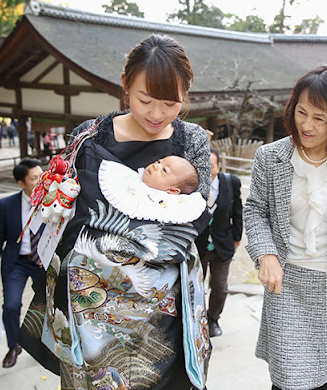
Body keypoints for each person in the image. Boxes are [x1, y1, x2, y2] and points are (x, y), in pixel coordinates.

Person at [19, 34, 212, 390]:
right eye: (145, 100)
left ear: (185, 95)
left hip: (163, 301)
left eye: (170, 103)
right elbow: (72, 212)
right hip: (91, 300)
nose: (156, 114)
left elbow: (196, 214)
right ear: (125, 86)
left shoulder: (192, 141)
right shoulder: (90, 137)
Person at [244, 65, 327, 390]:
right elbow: (255, 210)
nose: (306, 124)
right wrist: (266, 254)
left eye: (319, 118)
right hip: (286, 285)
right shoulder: (270, 157)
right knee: (291, 380)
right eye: (301, 112)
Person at [0, 158, 45, 368]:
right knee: (11, 305)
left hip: (42, 262)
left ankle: (46, 346)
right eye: (34, 178)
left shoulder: (53, 199)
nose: (41, 179)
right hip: (16, 262)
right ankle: (14, 345)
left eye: (41, 174)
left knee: (48, 306)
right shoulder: (7, 205)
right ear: (21, 183)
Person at [195, 147, 243, 337]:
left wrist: (237, 239)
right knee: (197, 287)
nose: (208, 168)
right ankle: (197, 320)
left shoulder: (231, 183)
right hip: (198, 245)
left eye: (211, 165)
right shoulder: (193, 182)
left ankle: (213, 319)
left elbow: (238, 213)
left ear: (219, 166)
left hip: (222, 244)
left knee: (220, 287)